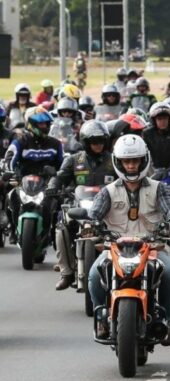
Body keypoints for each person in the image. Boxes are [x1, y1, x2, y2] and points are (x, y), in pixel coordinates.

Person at [86, 135, 170, 344]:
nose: (131, 165)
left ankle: (166, 321)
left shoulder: (159, 188)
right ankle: (102, 319)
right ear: (119, 163)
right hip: (115, 248)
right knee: (94, 276)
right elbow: (94, 214)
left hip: (151, 248)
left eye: (135, 160)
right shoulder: (108, 191)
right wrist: (88, 225)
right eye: (126, 161)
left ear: (143, 160)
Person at [48, 120, 116, 290]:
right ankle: (66, 272)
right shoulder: (74, 160)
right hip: (79, 206)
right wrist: (52, 186)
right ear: (86, 142)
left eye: (101, 140)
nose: (98, 144)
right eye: (94, 141)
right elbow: (60, 176)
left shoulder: (114, 160)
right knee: (61, 226)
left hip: (108, 208)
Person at [7, 107, 64, 244]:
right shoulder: (20, 141)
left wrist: (58, 176)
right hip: (23, 183)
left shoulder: (56, 144)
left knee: (60, 202)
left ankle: (55, 233)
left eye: (47, 124)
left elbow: (62, 166)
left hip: (47, 185)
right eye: (42, 124)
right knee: (10, 196)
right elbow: (10, 158)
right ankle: (12, 228)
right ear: (32, 124)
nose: (45, 127)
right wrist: (11, 172)